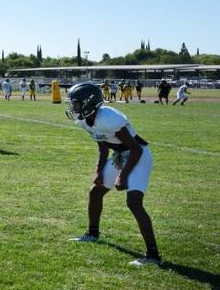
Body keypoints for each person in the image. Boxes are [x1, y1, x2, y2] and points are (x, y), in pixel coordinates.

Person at [65, 82, 161, 266]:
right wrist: (99, 171)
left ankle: (153, 255)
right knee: (96, 191)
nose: (73, 108)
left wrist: (123, 176)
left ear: (89, 103)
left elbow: (135, 149)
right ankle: (92, 234)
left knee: (133, 202)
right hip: (120, 155)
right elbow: (103, 146)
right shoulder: (85, 121)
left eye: (76, 103)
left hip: (137, 155)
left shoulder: (108, 117)